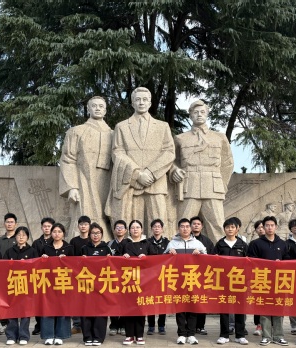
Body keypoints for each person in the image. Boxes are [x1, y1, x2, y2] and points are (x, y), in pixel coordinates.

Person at [106, 87, 175, 230]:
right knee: (131, 226)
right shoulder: (121, 127)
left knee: (159, 225)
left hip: (156, 183)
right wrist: (137, 174)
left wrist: (150, 172)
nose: (141, 102)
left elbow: (169, 152)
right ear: (132, 103)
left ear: (150, 103)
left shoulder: (162, 126)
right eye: (138, 99)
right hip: (131, 183)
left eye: (145, 99)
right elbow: (117, 152)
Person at [170, 100, 234, 242]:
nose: (199, 115)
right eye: (195, 112)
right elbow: (172, 161)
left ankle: (221, 253)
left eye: (202, 112)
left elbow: (227, 163)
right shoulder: (180, 138)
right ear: (190, 116)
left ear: (207, 114)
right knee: (183, 224)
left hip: (213, 186)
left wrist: (221, 185)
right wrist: (174, 171)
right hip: (189, 186)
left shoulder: (219, 138)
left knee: (217, 225)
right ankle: (180, 253)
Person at [59, 96, 113, 238]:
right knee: (84, 215)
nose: (97, 109)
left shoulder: (113, 134)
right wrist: (72, 186)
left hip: (108, 181)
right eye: (94, 106)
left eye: (101, 106)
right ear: (88, 109)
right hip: (84, 180)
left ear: (105, 110)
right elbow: (68, 159)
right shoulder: (76, 131)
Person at [247, 216, 290, 346]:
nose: (269, 228)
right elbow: (251, 261)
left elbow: (288, 261)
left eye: (272, 225)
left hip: (279, 281)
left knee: (278, 308)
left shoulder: (283, 244)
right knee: (264, 308)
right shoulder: (256, 244)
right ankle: (266, 336)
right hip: (262, 280)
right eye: (267, 225)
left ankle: (278, 335)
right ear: (263, 227)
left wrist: (281, 263)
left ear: (276, 227)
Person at [165, 218, 207, 344]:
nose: (185, 229)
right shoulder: (172, 243)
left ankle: (191, 334)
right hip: (178, 281)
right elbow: (164, 260)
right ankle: (182, 333)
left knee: (193, 307)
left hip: (193, 280)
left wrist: (200, 253)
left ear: (190, 228)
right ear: (178, 228)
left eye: (187, 226)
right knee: (180, 307)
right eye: (182, 226)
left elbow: (207, 259)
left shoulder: (197, 243)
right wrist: (168, 253)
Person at [122, 220, 157, 345]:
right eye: (133, 227)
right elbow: (116, 259)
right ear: (129, 230)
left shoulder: (147, 243)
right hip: (128, 280)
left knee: (141, 308)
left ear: (142, 230)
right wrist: (123, 257)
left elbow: (156, 259)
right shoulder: (125, 243)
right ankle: (129, 335)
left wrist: (147, 258)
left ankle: (140, 335)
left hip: (143, 281)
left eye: (137, 227)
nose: (135, 229)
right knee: (128, 308)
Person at [215, 217, 249, 345]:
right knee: (224, 308)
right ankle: (224, 335)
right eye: (228, 227)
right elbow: (212, 261)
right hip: (223, 281)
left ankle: (240, 335)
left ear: (237, 229)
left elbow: (250, 262)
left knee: (239, 308)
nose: (230, 229)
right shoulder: (219, 244)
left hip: (239, 281)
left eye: (232, 227)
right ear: (224, 229)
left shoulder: (242, 245)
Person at [3, 226, 39, 345]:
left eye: (24, 235)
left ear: (27, 237)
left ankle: (24, 336)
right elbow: (3, 266)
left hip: (26, 284)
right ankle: (11, 335)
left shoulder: (32, 251)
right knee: (11, 310)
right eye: (19, 235)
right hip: (12, 283)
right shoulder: (9, 251)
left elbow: (37, 268)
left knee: (25, 311)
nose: (21, 237)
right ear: (15, 237)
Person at [40, 223, 74, 345]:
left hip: (64, 282)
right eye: (54, 231)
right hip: (48, 282)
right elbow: (39, 265)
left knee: (62, 308)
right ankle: (48, 335)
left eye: (59, 231)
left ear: (63, 233)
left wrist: (67, 260)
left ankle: (61, 335)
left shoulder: (69, 247)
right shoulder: (46, 247)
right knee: (48, 307)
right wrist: (43, 258)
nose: (57, 234)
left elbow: (75, 266)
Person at [81, 223, 111, 346]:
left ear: (102, 234)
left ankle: (98, 337)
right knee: (86, 309)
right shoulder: (85, 248)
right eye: (93, 233)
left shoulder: (106, 248)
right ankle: (87, 336)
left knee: (100, 311)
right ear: (89, 235)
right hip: (87, 284)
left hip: (101, 284)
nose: (95, 235)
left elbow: (111, 267)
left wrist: (110, 259)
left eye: (98, 233)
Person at [31, 217, 55, 335]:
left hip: (53, 275)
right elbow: (33, 258)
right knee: (39, 301)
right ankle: (39, 325)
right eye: (45, 226)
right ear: (41, 228)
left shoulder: (56, 241)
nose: (47, 228)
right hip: (39, 275)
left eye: (49, 226)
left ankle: (51, 325)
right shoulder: (36, 242)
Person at [190, 216, 214, 335]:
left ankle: (200, 326)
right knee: (189, 301)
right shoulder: (185, 240)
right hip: (188, 275)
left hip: (203, 275)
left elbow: (212, 257)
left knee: (201, 301)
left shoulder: (207, 241)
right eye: (194, 224)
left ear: (202, 226)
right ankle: (190, 326)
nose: (196, 225)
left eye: (198, 224)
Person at [0, 213, 18, 335]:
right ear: (4, 224)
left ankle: (13, 324)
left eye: (12, 222)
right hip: (2, 274)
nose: (9, 224)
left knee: (14, 300)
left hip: (16, 275)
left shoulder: (19, 239)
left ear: (15, 224)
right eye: (7, 222)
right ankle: (4, 324)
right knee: (2, 300)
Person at [106, 219, 130, 336]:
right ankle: (114, 325)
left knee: (125, 301)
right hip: (112, 276)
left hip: (126, 277)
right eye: (117, 228)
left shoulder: (129, 243)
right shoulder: (109, 244)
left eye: (122, 228)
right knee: (113, 301)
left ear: (126, 230)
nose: (119, 229)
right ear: (114, 230)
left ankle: (123, 325)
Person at [69, 215, 91, 334]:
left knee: (88, 299)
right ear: (78, 226)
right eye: (81, 224)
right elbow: (70, 257)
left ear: (89, 226)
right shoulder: (74, 241)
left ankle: (87, 324)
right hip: (76, 274)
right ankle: (77, 324)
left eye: (86, 224)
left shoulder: (92, 240)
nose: (83, 226)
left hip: (90, 275)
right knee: (76, 299)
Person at [146, 219, 169, 335]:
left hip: (163, 276)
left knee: (162, 301)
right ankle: (151, 325)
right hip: (150, 276)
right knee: (150, 301)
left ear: (162, 229)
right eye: (154, 226)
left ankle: (161, 325)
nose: (157, 228)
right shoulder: (147, 242)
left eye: (159, 226)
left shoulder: (167, 242)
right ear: (151, 229)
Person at [249, 220, 265, 336]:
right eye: (258, 227)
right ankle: (259, 324)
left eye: (263, 227)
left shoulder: (278, 243)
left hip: (274, 277)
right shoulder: (254, 243)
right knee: (259, 301)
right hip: (259, 277)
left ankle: (271, 325)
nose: (261, 229)